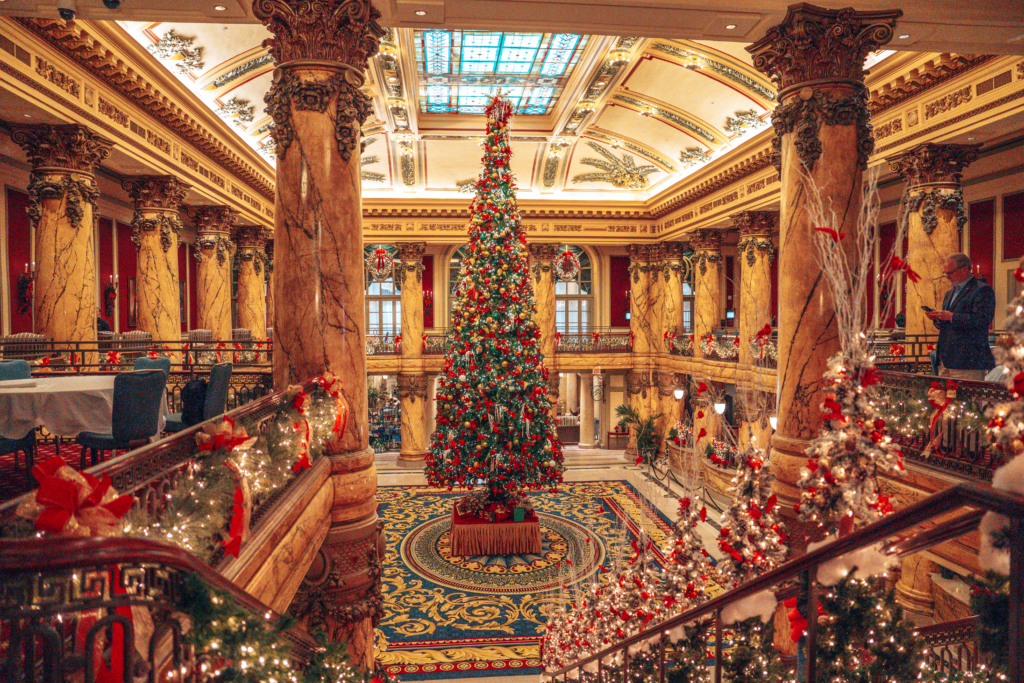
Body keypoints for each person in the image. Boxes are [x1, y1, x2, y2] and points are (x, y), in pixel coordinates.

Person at [925, 253, 995, 381]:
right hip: (945, 359)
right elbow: (947, 324)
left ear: (964, 269)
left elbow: (982, 321)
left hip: (967, 360)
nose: (947, 277)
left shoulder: (982, 290)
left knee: (967, 400)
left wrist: (951, 316)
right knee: (943, 399)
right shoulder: (950, 293)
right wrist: (938, 318)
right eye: (945, 273)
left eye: (950, 272)